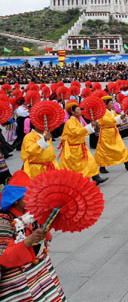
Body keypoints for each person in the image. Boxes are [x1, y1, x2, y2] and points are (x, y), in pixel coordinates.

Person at [0, 171, 66, 301]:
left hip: (41, 268)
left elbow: (45, 236)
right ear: (16, 199)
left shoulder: (32, 212)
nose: (32, 198)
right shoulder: (4, 221)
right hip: (18, 279)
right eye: (27, 195)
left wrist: (45, 233)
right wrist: (28, 241)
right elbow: (3, 256)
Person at [59, 101, 107, 184]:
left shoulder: (78, 120)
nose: (80, 111)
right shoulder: (70, 122)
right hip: (74, 148)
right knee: (78, 167)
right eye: (78, 109)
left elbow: (83, 131)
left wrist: (91, 125)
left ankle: (96, 177)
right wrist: (89, 126)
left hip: (81, 146)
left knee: (90, 161)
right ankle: (78, 181)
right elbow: (77, 132)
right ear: (72, 112)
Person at [95, 96, 128, 173]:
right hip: (106, 133)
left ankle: (127, 163)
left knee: (121, 147)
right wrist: (118, 118)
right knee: (104, 151)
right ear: (106, 104)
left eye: (112, 103)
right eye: (110, 103)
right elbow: (107, 120)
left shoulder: (112, 111)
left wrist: (121, 117)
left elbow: (116, 118)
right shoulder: (103, 112)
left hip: (114, 132)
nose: (112, 105)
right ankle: (102, 166)